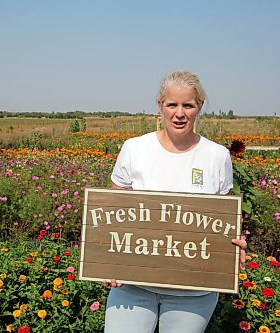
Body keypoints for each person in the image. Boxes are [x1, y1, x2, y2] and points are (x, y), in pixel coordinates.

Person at [103, 70, 247, 333]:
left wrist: (234, 245)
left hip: (193, 292)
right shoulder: (134, 148)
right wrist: (107, 259)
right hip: (133, 286)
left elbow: (224, 217)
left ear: (199, 107)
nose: (179, 113)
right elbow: (112, 211)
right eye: (172, 104)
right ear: (161, 106)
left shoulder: (217, 156)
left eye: (188, 105)